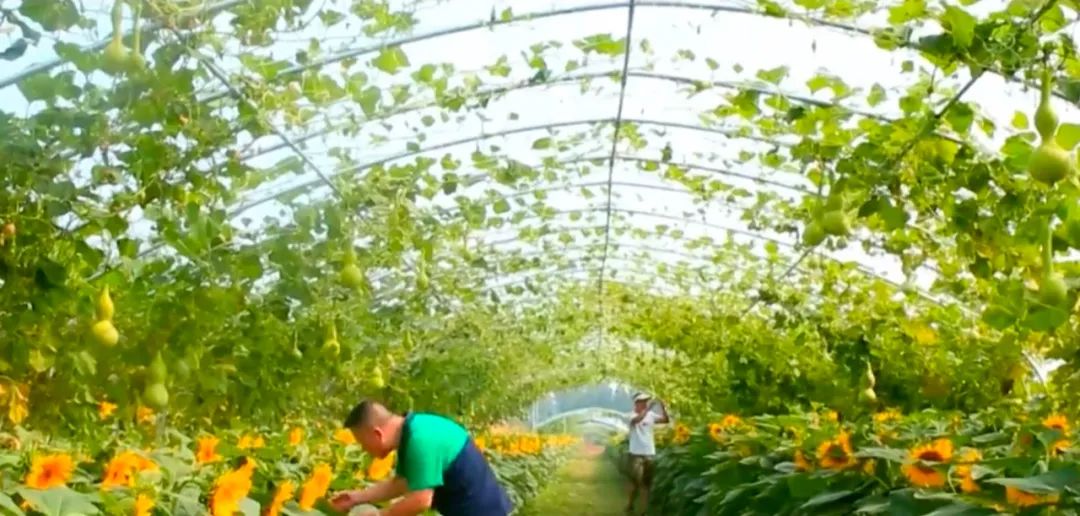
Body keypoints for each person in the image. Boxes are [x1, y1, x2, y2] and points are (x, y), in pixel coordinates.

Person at [329, 400, 513, 516]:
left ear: (377, 434)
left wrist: (380, 515)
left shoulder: (419, 440)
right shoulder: (412, 431)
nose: (364, 449)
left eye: (363, 443)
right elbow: (402, 483)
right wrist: (357, 497)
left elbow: (420, 500)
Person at [625, 392, 669, 515]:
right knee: (636, 482)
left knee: (647, 483)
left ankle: (644, 511)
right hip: (636, 454)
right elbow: (637, 420)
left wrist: (663, 407)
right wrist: (648, 409)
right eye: (642, 401)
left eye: (646, 401)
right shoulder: (631, 415)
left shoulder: (651, 415)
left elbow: (665, 420)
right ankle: (630, 504)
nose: (645, 403)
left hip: (649, 453)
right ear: (636, 403)